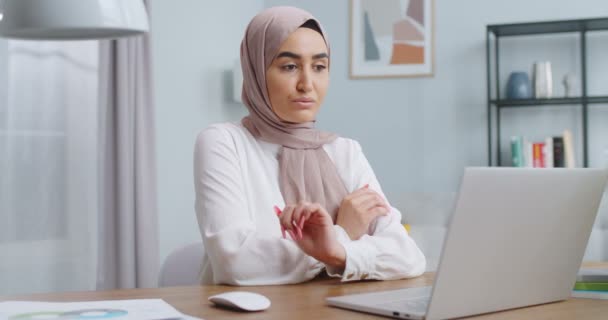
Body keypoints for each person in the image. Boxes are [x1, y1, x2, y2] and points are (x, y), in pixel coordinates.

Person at [193, 6, 425, 285]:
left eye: (319, 67)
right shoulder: (224, 142)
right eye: (289, 66)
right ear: (255, 70)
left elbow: (409, 257)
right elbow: (236, 262)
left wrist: (334, 250)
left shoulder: (344, 151)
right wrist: (342, 237)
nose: (307, 84)